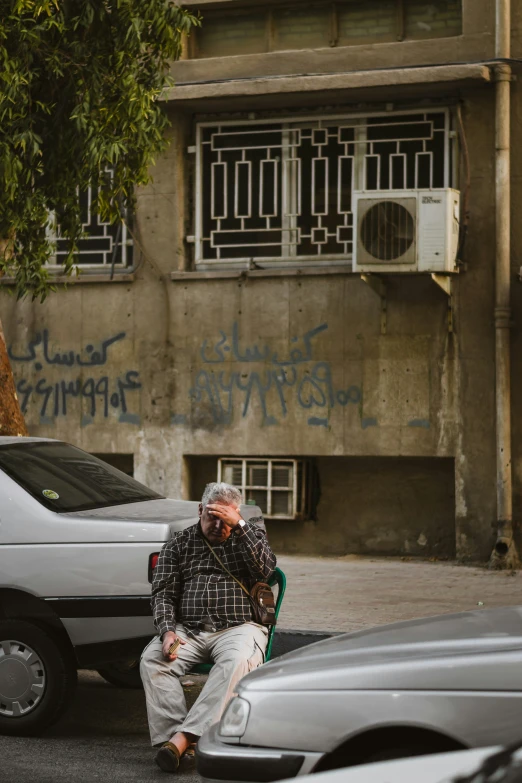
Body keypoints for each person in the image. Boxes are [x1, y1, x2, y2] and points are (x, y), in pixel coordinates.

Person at [140, 481, 277, 773]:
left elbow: (266, 569)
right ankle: (181, 745)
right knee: (153, 660)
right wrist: (168, 632)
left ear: (235, 514)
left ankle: (180, 740)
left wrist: (238, 525)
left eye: (224, 518)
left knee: (237, 661)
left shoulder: (249, 536)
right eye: (211, 516)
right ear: (200, 510)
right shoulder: (179, 543)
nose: (217, 525)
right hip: (187, 630)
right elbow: (162, 593)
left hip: (238, 627)